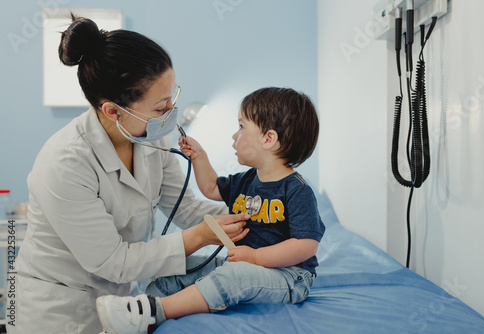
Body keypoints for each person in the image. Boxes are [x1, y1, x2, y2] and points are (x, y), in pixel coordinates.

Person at [8, 14, 249, 334]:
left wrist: (252, 211)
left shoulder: (151, 138)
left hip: (119, 296)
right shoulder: (64, 163)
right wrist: (200, 237)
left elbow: (188, 208)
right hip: (59, 309)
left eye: (172, 97)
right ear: (112, 110)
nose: (171, 114)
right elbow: (113, 261)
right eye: (161, 106)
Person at [96, 87, 326, 334]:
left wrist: (257, 258)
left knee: (236, 276)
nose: (234, 137)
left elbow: (306, 245)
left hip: (288, 277)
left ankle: (154, 313)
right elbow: (211, 187)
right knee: (183, 266)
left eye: (241, 127)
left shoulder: (297, 190)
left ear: (268, 139)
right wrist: (199, 157)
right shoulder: (247, 180)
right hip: (242, 262)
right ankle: (137, 314)